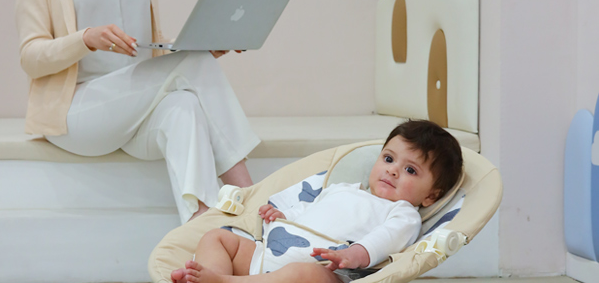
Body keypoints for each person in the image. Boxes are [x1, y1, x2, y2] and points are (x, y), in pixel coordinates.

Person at [10, 0, 261, 223]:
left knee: (185, 107)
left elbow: (147, 49)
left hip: (135, 109)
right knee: (191, 72)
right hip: (77, 112)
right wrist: (85, 39)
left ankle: (205, 239)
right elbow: (31, 57)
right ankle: (255, 204)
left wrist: (197, 46)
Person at [170, 120, 463, 283]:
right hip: (267, 256)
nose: (393, 170)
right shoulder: (342, 188)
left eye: (411, 170)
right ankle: (208, 277)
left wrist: (355, 255)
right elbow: (309, 210)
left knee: (303, 274)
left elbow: (385, 239)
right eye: (388, 158)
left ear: (431, 195)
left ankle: (221, 282)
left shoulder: (403, 213)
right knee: (218, 238)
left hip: (323, 271)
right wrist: (282, 213)